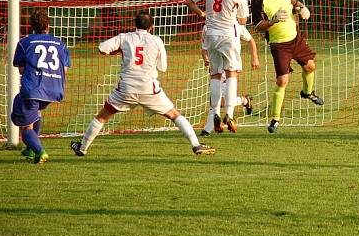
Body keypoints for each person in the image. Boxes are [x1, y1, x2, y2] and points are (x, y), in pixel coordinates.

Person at [70, 10, 215, 156]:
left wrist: (117, 51)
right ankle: (196, 145)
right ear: (151, 26)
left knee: (102, 117)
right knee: (174, 115)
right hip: (149, 88)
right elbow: (162, 67)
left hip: (126, 89)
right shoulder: (157, 40)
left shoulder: (124, 37)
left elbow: (102, 48)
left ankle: (82, 148)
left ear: (134, 25)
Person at [251, 0, 323, 133]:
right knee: (282, 81)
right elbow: (257, 26)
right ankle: (275, 119)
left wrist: (303, 9)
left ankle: (308, 92)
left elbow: (295, 5)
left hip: (295, 39)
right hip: (279, 44)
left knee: (310, 66)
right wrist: (272, 21)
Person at [185, 0, 249, 133]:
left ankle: (215, 113)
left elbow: (189, 1)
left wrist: (201, 13)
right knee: (231, 73)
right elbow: (242, 21)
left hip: (211, 34)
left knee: (215, 74)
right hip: (229, 35)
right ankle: (229, 113)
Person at [11, 9, 70, 164]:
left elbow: (21, 69)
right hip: (55, 89)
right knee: (35, 113)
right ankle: (30, 150)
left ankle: (40, 151)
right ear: (48, 25)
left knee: (26, 128)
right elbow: (65, 69)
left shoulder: (25, 42)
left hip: (34, 87)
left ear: (31, 26)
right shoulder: (60, 44)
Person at [200, 23, 260, 136]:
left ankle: (208, 129)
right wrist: (206, 59)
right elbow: (204, 48)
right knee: (217, 101)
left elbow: (250, 39)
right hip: (216, 66)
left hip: (228, 68)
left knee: (219, 102)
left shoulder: (235, 25)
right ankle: (244, 101)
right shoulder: (207, 27)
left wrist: (255, 56)